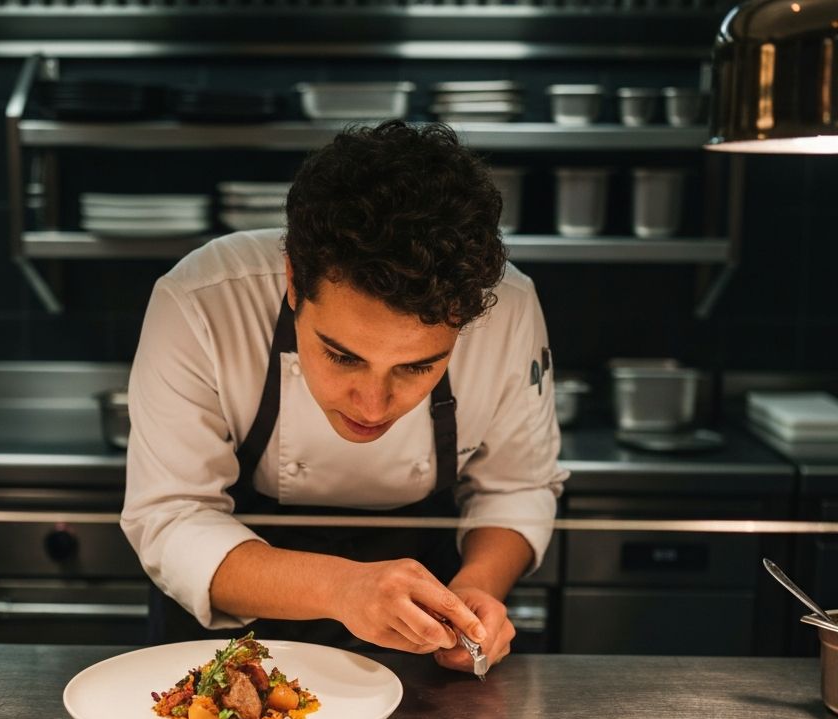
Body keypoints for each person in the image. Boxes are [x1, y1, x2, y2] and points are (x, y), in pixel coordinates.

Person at [121, 120, 568, 673]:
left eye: (419, 366)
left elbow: (517, 486)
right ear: (292, 279)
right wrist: (343, 588)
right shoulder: (201, 303)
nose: (374, 406)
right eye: (343, 356)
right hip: (231, 638)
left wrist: (472, 594)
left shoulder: (510, 310)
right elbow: (172, 515)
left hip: (425, 640)